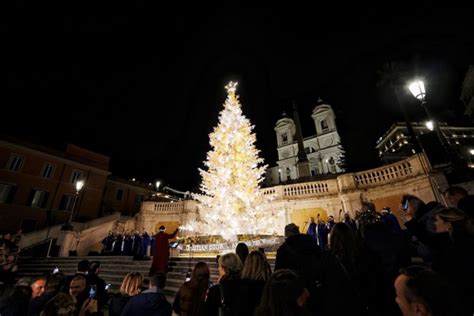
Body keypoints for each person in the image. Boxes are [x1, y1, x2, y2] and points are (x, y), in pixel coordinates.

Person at [432, 207, 474, 315]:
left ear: (448, 225)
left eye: (437, 220)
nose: (434, 223)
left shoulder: (455, 249)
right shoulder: (465, 240)